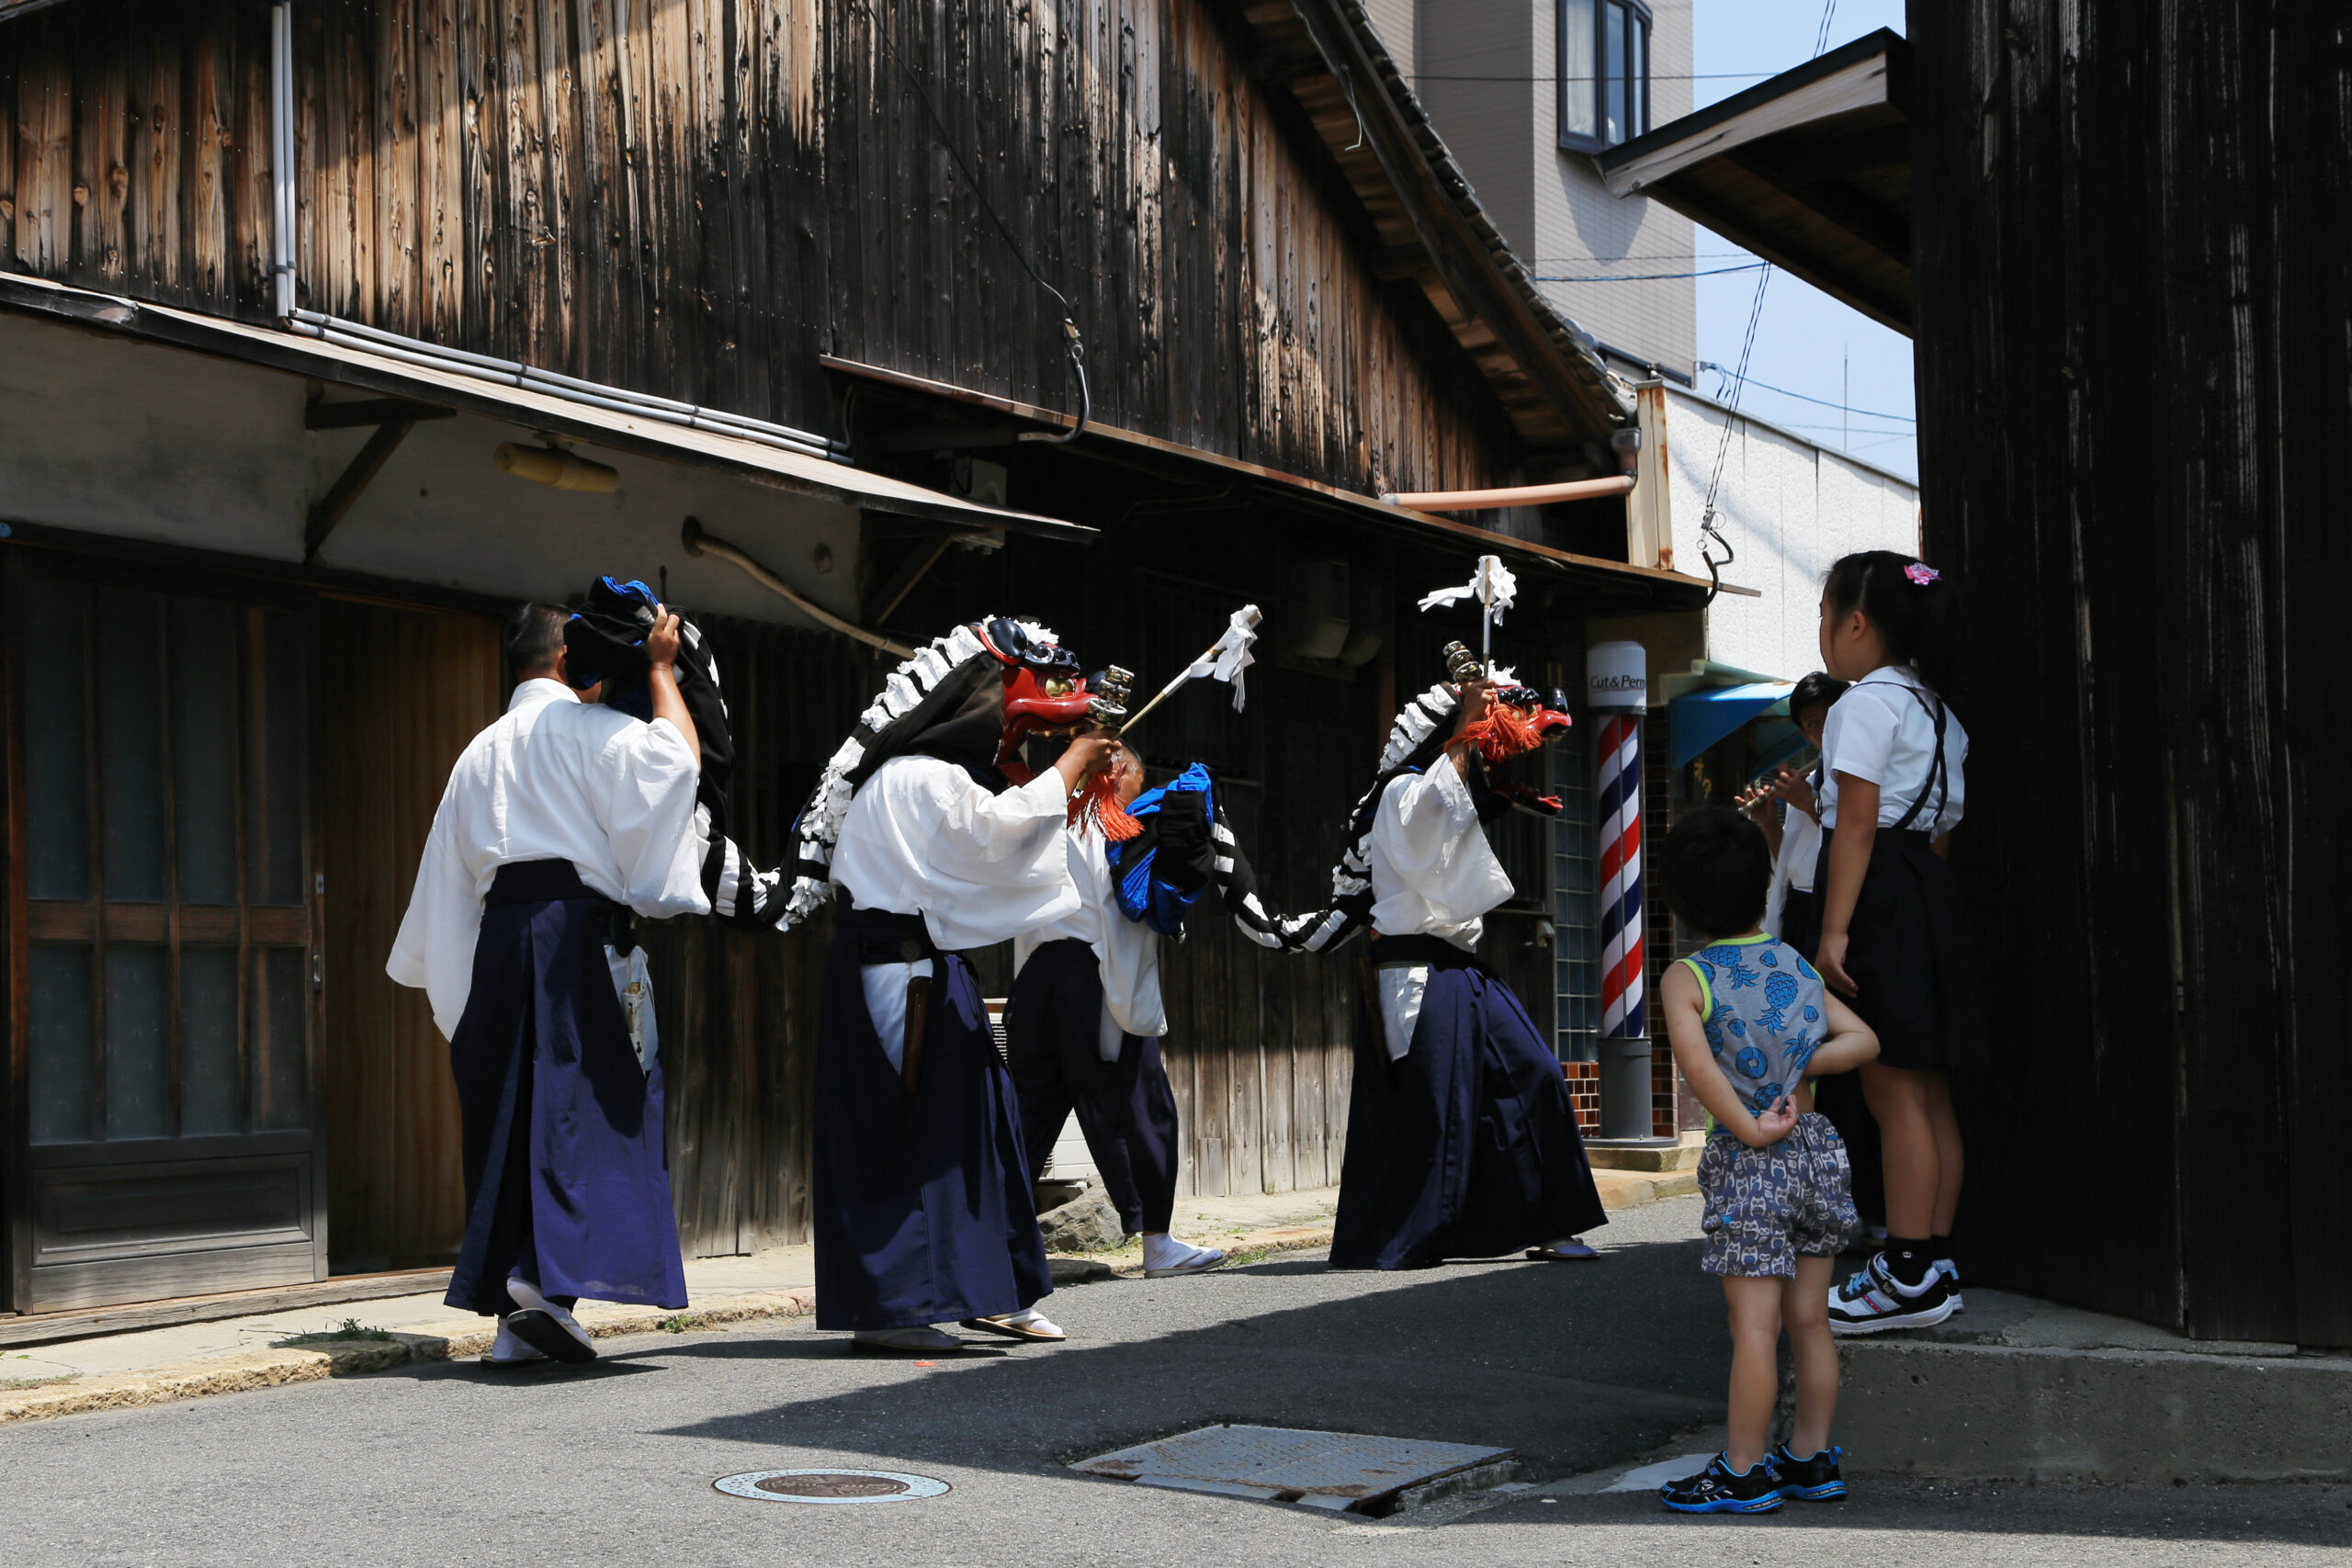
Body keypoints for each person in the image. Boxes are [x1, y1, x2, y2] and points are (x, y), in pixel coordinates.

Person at [780, 616, 1114, 1354]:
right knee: (916, 1135)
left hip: (925, 969)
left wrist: (1069, 777)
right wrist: (1070, 768)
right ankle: (897, 1303)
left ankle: (992, 1289)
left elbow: (995, 834)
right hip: (902, 972)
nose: (1014, 745)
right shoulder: (916, 776)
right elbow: (994, 835)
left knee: (977, 1129)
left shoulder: (924, 777)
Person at [387, 601, 707, 1366]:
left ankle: (518, 1318)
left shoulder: (478, 752)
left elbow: (448, 887)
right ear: (570, 659)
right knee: (586, 1107)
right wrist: (661, 668)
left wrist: (460, 998)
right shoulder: (591, 732)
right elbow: (679, 765)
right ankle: (537, 1282)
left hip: (499, 939)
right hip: (573, 935)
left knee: (515, 1114)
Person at [1320, 665, 1609, 1270]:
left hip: (1463, 972)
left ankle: (1550, 1220)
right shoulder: (1401, 791)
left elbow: (1454, 818)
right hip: (1419, 975)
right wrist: (1466, 725)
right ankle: (1412, 1233)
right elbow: (1433, 811)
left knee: (1531, 1072)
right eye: (1466, 742)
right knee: (1438, 1107)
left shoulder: (1437, 787)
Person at [1655, 806, 1878, 1514]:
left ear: (1681, 898)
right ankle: (1810, 1459)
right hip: (1817, 1148)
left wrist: (1753, 1126)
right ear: (1763, 886)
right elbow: (1863, 1040)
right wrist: (1795, 1067)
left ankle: (1744, 1469)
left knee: (1755, 1326)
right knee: (1810, 1318)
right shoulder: (1794, 963)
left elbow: (1701, 1072)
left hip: (1755, 1158)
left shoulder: (1688, 976)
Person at [1813, 551, 1985, 1333]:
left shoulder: (1863, 703)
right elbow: (1942, 831)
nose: (1823, 632)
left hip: (1879, 886)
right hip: (1929, 889)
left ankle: (1907, 1271)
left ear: (1856, 622)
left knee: (1890, 1088)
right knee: (1929, 1085)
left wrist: (1836, 927)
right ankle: (1938, 1259)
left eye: (1825, 615)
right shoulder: (1941, 711)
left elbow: (1855, 821)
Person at [1009, 743, 1233, 1280]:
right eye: (1137, 779)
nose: (1139, 792)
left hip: (1036, 980)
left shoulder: (1045, 819)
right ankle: (1157, 1243)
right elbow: (1129, 912)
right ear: (1117, 772)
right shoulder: (1115, 825)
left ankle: (992, 1238)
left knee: (1026, 1113)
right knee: (1139, 1104)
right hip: (1093, 976)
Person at [1736, 671, 1847, 954]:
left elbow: (1856, 837)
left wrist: (1810, 803)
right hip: (1800, 908)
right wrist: (1770, 824)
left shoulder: (1860, 780)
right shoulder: (1809, 784)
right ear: (1803, 733)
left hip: (1840, 907)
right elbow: (1790, 861)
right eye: (1813, 723)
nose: (1824, 729)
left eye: (1832, 717)